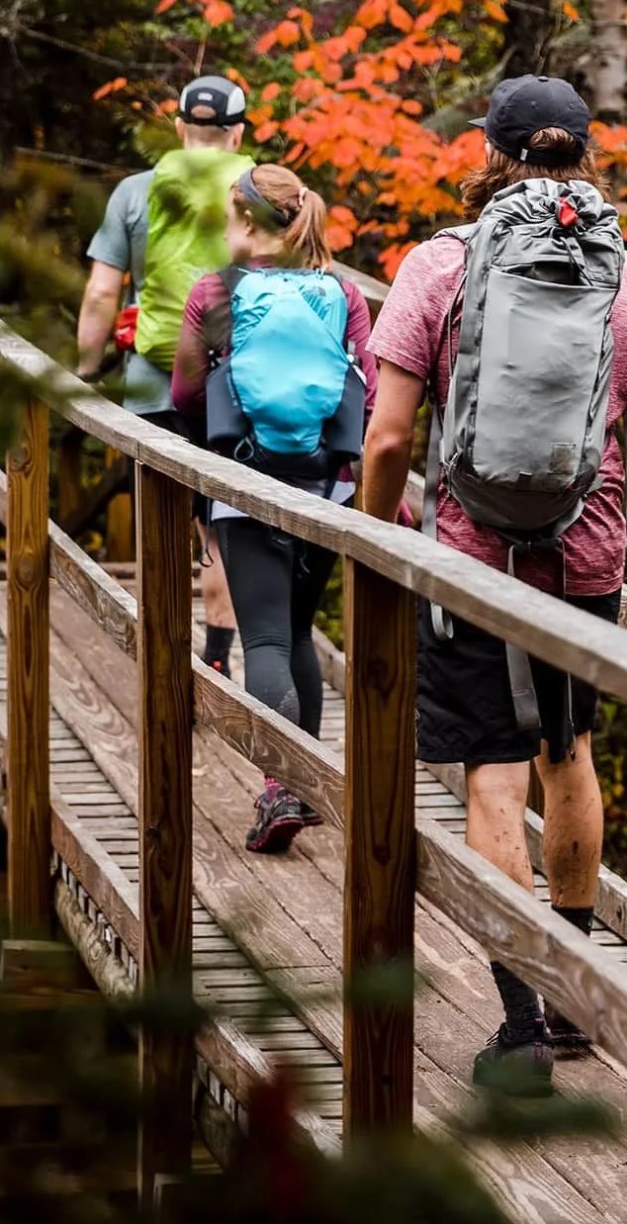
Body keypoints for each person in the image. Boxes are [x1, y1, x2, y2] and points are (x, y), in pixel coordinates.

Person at [361, 74, 627, 1096]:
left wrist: (368, 525)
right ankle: (570, 995)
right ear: (584, 154)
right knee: (569, 754)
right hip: (587, 556)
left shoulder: (439, 264)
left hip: (471, 561)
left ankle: (518, 1017)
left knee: (490, 774)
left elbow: (389, 432)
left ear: (492, 151)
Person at [173, 163, 378, 855]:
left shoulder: (215, 291)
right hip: (327, 488)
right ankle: (303, 788)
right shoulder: (344, 294)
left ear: (252, 223)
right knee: (294, 635)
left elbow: (183, 395)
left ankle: (281, 789)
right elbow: (369, 394)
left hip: (247, 484)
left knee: (261, 641)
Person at [76, 74, 252, 678]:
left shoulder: (134, 192)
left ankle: (160, 651)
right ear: (237, 135)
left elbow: (103, 292)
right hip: (234, 389)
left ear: (179, 128)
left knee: (159, 519)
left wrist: (85, 369)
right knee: (222, 521)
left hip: (153, 379)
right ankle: (219, 656)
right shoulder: (258, 192)